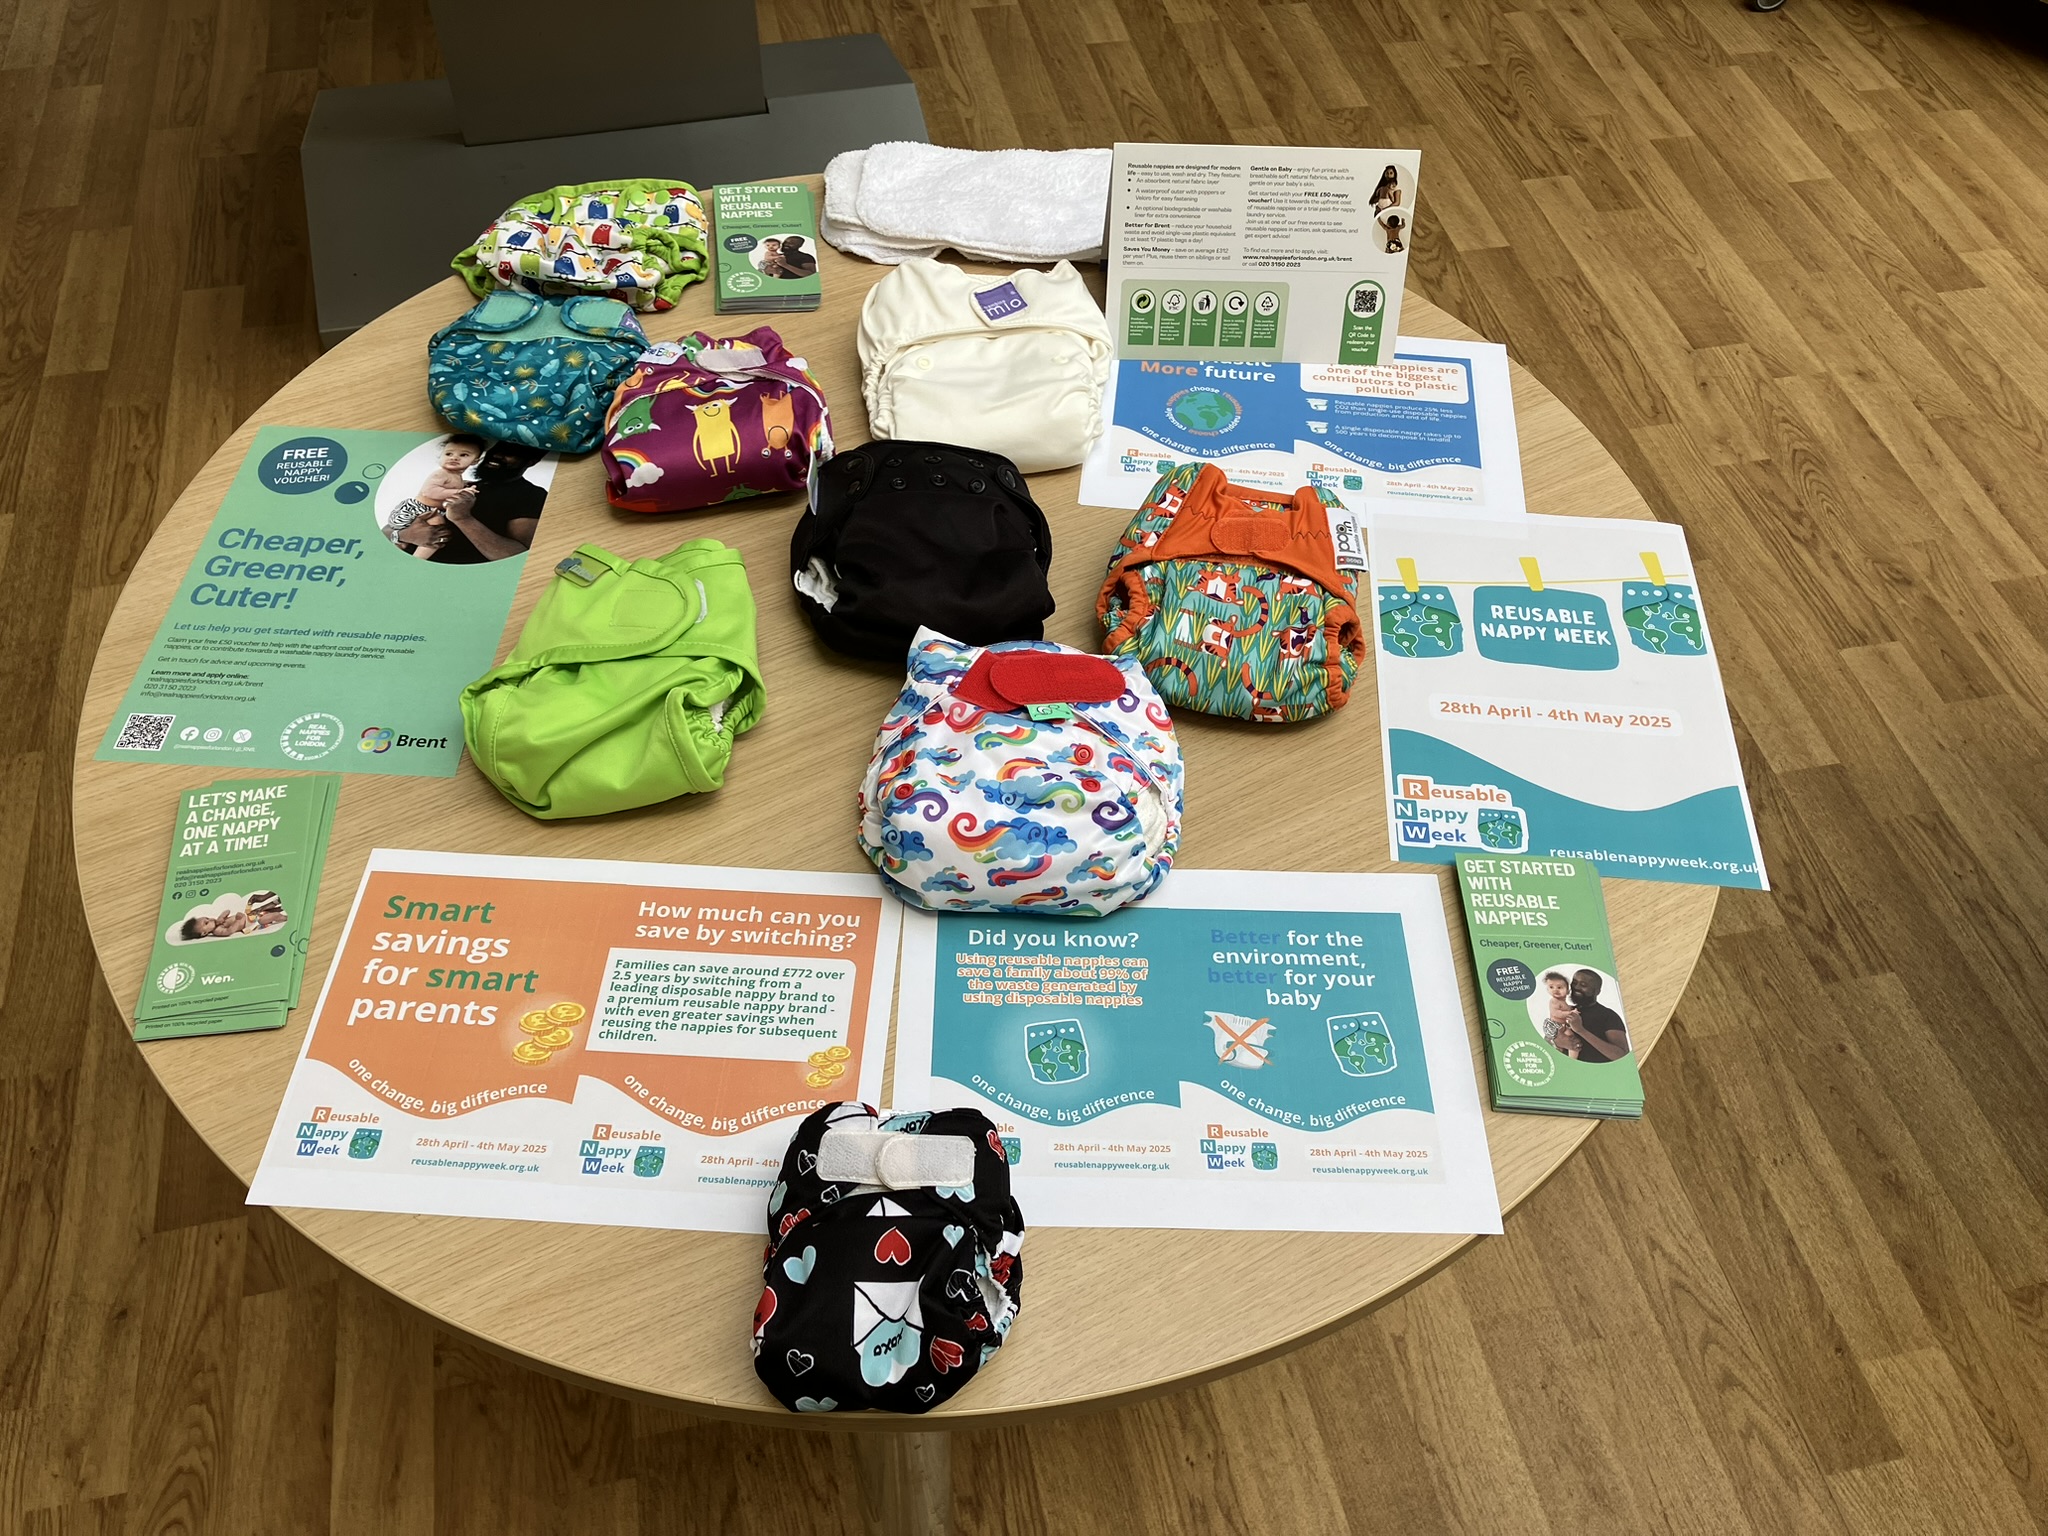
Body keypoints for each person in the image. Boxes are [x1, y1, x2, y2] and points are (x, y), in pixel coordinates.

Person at [416, 441, 548, 564]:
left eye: (511, 452)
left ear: (532, 461)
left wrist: (463, 518)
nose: (497, 455)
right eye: (496, 448)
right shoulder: (465, 485)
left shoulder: (532, 494)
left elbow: (518, 557)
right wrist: (408, 533)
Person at [387, 435, 483, 548]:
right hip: (415, 510)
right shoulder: (441, 474)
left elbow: (452, 485)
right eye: (448, 454)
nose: (454, 458)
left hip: (430, 511)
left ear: (475, 461)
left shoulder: (457, 477)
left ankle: (405, 547)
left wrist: (465, 484)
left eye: (463, 455)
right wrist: (459, 491)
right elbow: (430, 491)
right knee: (438, 529)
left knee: (432, 531)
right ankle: (419, 556)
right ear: (440, 456)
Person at [1565, 969, 1631, 1061]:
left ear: (1597, 991)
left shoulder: (1608, 1016)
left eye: (1583, 985)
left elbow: (1621, 1056)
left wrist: (1581, 1030)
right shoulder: (1565, 1011)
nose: (1577, 987)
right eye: (1574, 983)